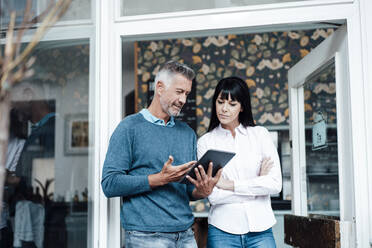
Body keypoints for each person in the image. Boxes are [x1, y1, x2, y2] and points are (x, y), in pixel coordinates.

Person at [101, 61, 222, 248]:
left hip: (186, 234)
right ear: (160, 87)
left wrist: (203, 191)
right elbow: (109, 184)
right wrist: (159, 178)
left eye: (187, 94)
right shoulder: (129, 128)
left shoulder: (187, 133)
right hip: (145, 236)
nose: (183, 99)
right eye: (179, 91)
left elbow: (188, 191)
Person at [197, 76, 282, 248]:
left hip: (261, 229)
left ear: (242, 106)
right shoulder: (206, 142)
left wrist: (228, 185)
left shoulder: (260, 135)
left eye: (232, 104)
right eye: (220, 102)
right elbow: (213, 196)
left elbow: (274, 184)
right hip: (222, 230)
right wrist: (257, 186)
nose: (224, 109)